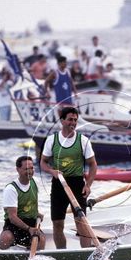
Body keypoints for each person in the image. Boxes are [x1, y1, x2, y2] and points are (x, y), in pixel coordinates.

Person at [40, 107, 98, 249]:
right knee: (58, 223)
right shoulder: (52, 140)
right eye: (70, 119)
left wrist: (88, 185)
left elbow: (93, 165)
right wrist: (51, 171)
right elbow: (43, 162)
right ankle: (62, 254)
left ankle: (85, 253)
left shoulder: (83, 141)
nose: (73, 123)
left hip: (77, 184)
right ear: (62, 121)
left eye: (75, 120)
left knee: (81, 221)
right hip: (59, 184)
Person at [0, 156, 45, 250]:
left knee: (42, 239)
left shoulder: (35, 182)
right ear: (18, 169)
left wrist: (37, 213)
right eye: (26, 169)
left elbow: (32, 204)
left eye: (32, 168)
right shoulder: (11, 189)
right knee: (5, 238)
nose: (30, 171)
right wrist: (29, 229)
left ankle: (35, 259)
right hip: (14, 224)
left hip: (31, 222)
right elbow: (12, 218)